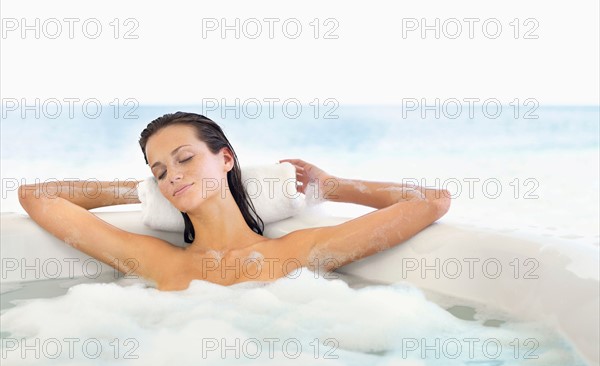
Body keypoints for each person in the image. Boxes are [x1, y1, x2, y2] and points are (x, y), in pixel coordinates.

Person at [18, 111, 451, 291]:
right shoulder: (157, 260)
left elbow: (431, 201)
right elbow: (37, 196)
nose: (174, 175)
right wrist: (141, 190)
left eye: (185, 158)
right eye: (161, 171)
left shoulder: (297, 253)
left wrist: (333, 187)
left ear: (226, 159)